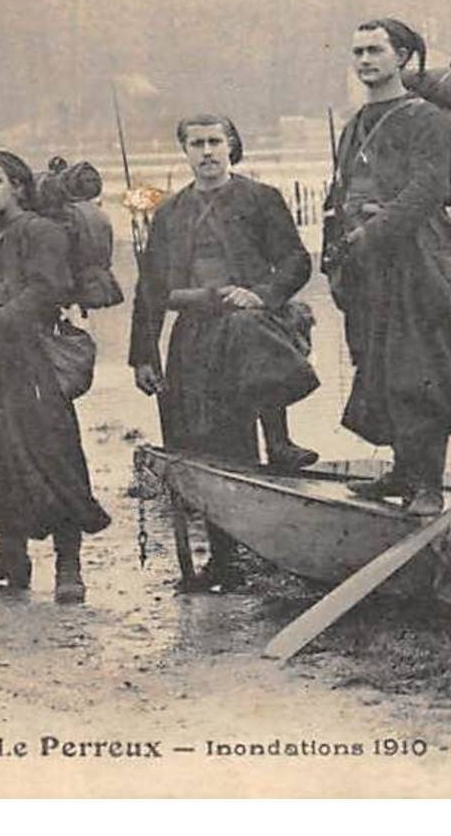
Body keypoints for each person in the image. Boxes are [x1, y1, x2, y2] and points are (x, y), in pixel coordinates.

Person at [129, 115, 316, 590]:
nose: (207, 152)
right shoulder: (169, 213)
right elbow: (151, 286)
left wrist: (262, 294)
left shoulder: (260, 199)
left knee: (246, 438)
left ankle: (278, 452)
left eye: (216, 142)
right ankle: (224, 560)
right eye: (197, 144)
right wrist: (144, 354)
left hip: (250, 326)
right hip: (193, 336)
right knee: (201, 448)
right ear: (185, 151)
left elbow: (296, 261)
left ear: (232, 146)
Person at [331, 18, 451, 517]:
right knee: (376, 364)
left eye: (375, 50)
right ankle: (402, 468)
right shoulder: (356, 122)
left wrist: (372, 233)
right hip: (366, 264)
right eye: (357, 52)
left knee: (422, 370)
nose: (364, 61)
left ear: (402, 57)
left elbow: (428, 189)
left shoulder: (426, 119)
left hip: (416, 260)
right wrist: (337, 250)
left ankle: (429, 486)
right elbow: (341, 191)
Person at [0, 151, 110, 603]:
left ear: (18, 187)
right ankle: (11, 559)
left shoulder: (42, 233)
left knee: (52, 459)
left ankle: (68, 566)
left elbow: (48, 289)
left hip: (35, 361)